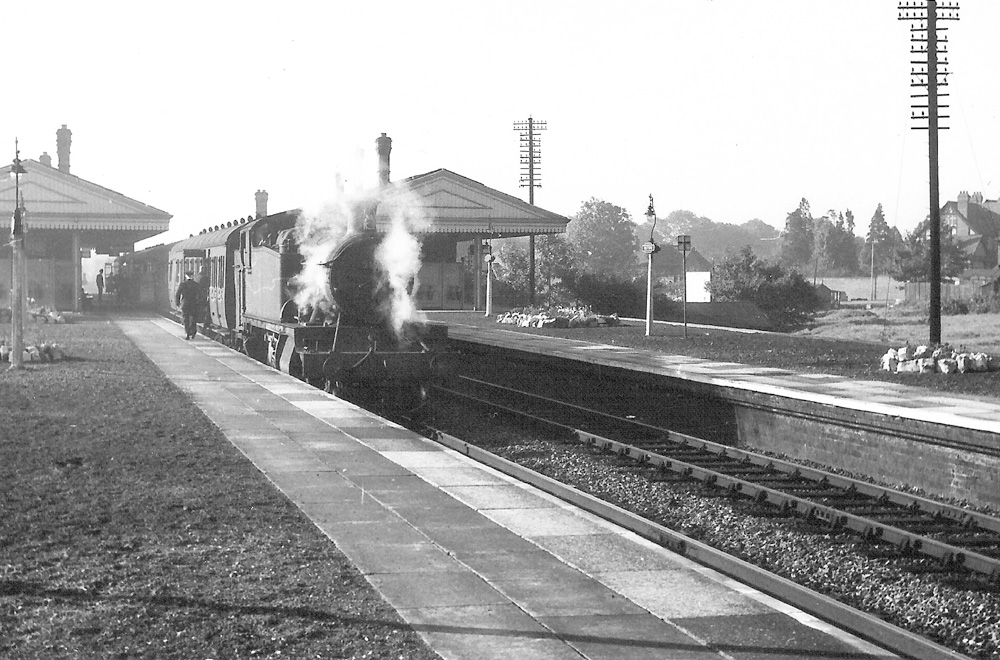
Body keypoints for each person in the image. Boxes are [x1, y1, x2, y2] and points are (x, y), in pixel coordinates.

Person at [175, 271, 204, 339]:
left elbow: (177, 294)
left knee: (186, 319)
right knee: (193, 319)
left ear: (186, 276)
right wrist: (199, 302)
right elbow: (201, 295)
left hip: (185, 304)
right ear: (192, 276)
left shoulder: (183, 284)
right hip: (194, 304)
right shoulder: (196, 284)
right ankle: (193, 332)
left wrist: (178, 303)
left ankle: (187, 333)